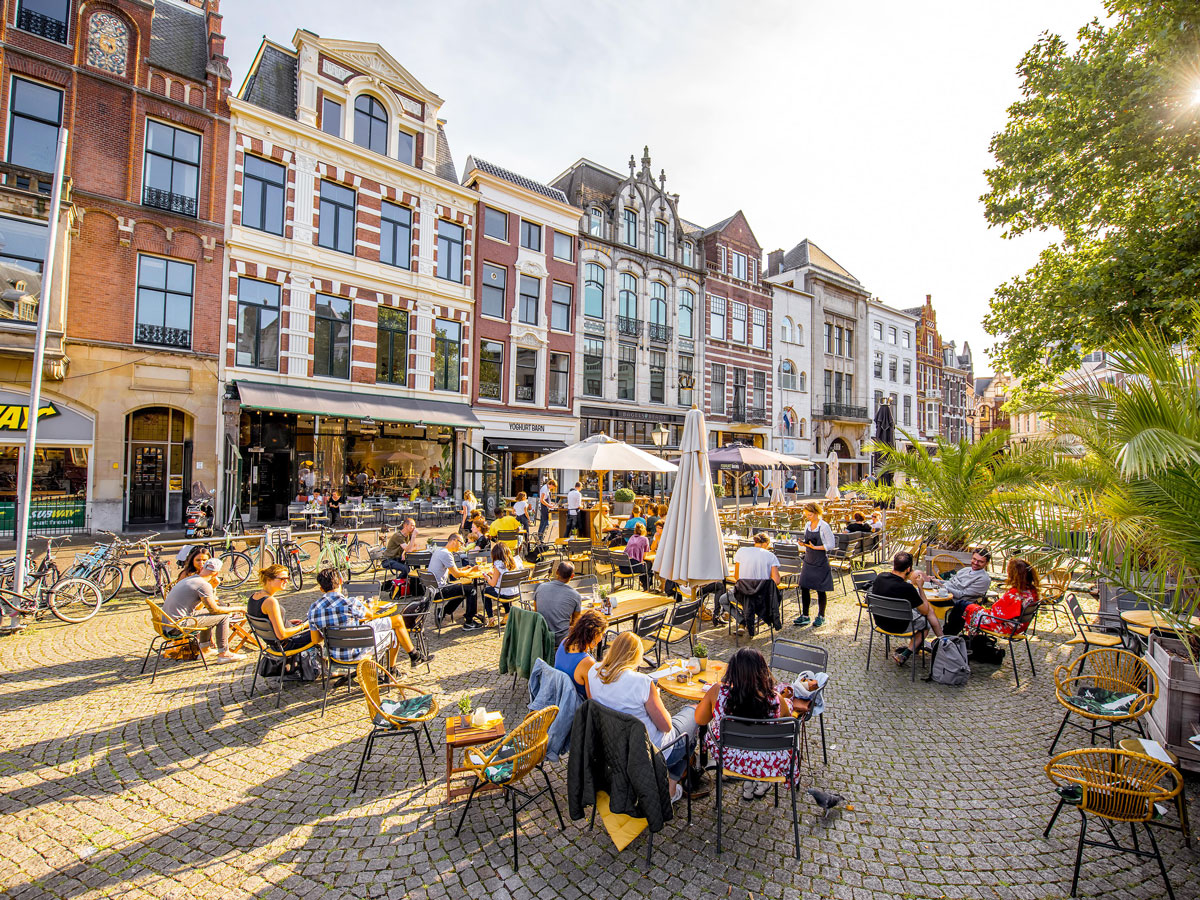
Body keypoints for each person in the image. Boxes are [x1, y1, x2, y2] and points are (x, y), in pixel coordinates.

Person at [586, 631, 699, 802]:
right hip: (650, 751)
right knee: (694, 715)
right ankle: (670, 787)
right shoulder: (641, 682)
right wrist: (657, 698)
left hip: (613, 746)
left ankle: (667, 783)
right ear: (635, 656)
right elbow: (666, 726)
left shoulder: (593, 672)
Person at [694, 648, 795, 800]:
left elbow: (700, 720)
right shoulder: (775, 699)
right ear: (763, 672)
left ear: (732, 670)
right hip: (766, 762)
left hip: (729, 760)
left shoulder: (718, 692)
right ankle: (758, 781)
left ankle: (748, 780)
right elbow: (786, 718)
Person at [308, 568, 428, 670]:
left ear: (322, 589)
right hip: (358, 651)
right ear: (340, 581)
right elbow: (369, 615)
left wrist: (333, 632)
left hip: (334, 655)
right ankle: (395, 669)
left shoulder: (313, 609)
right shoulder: (350, 603)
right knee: (393, 632)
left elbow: (315, 640)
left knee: (396, 620)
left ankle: (414, 656)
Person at [162, 558, 243, 662]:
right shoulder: (203, 585)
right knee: (224, 617)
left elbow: (206, 607)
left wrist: (213, 587)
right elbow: (215, 610)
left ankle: (205, 649)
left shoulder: (190, 579)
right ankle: (224, 653)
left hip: (168, 624)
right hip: (177, 626)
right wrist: (239, 609)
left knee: (209, 614)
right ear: (216, 573)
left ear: (202, 569)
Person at [870, 551, 944, 665]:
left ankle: (940, 642)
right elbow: (924, 610)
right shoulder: (907, 588)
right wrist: (920, 588)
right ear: (909, 569)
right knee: (926, 624)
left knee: (919, 613)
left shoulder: (880, 577)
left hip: (880, 622)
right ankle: (906, 654)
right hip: (899, 626)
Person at [720, 532, 781, 627]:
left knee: (723, 600)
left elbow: (737, 577)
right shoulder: (770, 556)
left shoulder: (741, 551)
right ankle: (750, 619)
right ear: (766, 544)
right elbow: (776, 581)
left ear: (755, 542)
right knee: (754, 603)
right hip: (761, 598)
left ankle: (742, 621)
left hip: (742, 595)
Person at [965, 558, 1040, 636]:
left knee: (966, 607)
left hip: (1006, 627)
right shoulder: (1032, 591)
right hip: (1019, 626)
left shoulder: (1015, 593)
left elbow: (996, 613)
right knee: (967, 606)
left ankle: (956, 638)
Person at [246, 564, 311, 652]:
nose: (286, 582)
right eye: (282, 579)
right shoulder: (270, 602)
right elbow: (281, 635)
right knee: (322, 628)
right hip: (287, 643)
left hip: (273, 642)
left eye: (287, 578)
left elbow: (265, 620)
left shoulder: (253, 597)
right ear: (269, 580)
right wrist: (303, 626)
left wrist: (286, 622)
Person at [794, 501, 836, 629]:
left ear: (817, 513)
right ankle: (805, 615)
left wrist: (816, 547)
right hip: (808, 559)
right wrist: (804, 543)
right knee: (804, 587)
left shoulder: (824, 526)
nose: (808, 517)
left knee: (820, 589)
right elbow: (808, 541)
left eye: (810, 514)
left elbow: (831, 545)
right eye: (806, 514)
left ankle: (821, 616)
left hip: (820, 560)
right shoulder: (807, 524)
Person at [555, 609, 605, 699]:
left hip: (560, 697)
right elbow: (592, 699)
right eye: (602, 634)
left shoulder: (565, 642)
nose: (601, 638)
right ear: (594, 634)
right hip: (576, 706)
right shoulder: (587, 662)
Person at [426, 533, 474, 627]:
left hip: (432, 589)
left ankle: (444, 611)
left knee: (463, 589)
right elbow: (456, 575)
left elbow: (451, 571)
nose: (461, 546)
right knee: (471, 589)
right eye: (461, 543)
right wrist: (471, 570)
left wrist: (463, 569)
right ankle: (469, 621)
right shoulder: (446, 554)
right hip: (439, 590)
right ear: (454, 541)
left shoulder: (439, 551)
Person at [940, 548, 994, 631]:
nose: (976, 563)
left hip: (957, 602)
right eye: (974, 559)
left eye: (980, 561)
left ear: (986, 563)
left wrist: (943, 587)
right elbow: (950, 582)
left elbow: (962, 594)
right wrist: (935, 581)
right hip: (944, 594)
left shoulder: (983, 579)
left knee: (924, 604)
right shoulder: (965, 570)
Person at [535, 560, 582, 646]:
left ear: (556, 571)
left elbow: (536, 612)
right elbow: (576, 622)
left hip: (541, 636)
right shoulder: (575, 595)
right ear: (572, 576)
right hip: (561, 639)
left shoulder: (540, 588)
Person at [479, 541, 524, 630]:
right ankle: (507, 613)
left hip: (505, 593)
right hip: (517, 592)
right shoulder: (515, 561)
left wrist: (487, 577)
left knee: (485, 591)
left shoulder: (498, 564)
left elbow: (492, 583)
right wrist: (495, 574)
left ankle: (491, 617)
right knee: (503, 588)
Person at [622, 522, 652, 590]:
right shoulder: (645, 539)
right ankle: (647, 587)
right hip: (632, 568)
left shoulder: (632, 537)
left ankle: (644, 584)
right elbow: (644, 557)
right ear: (644, 531)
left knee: (643, 565)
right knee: (649, 565)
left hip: (623, 567)